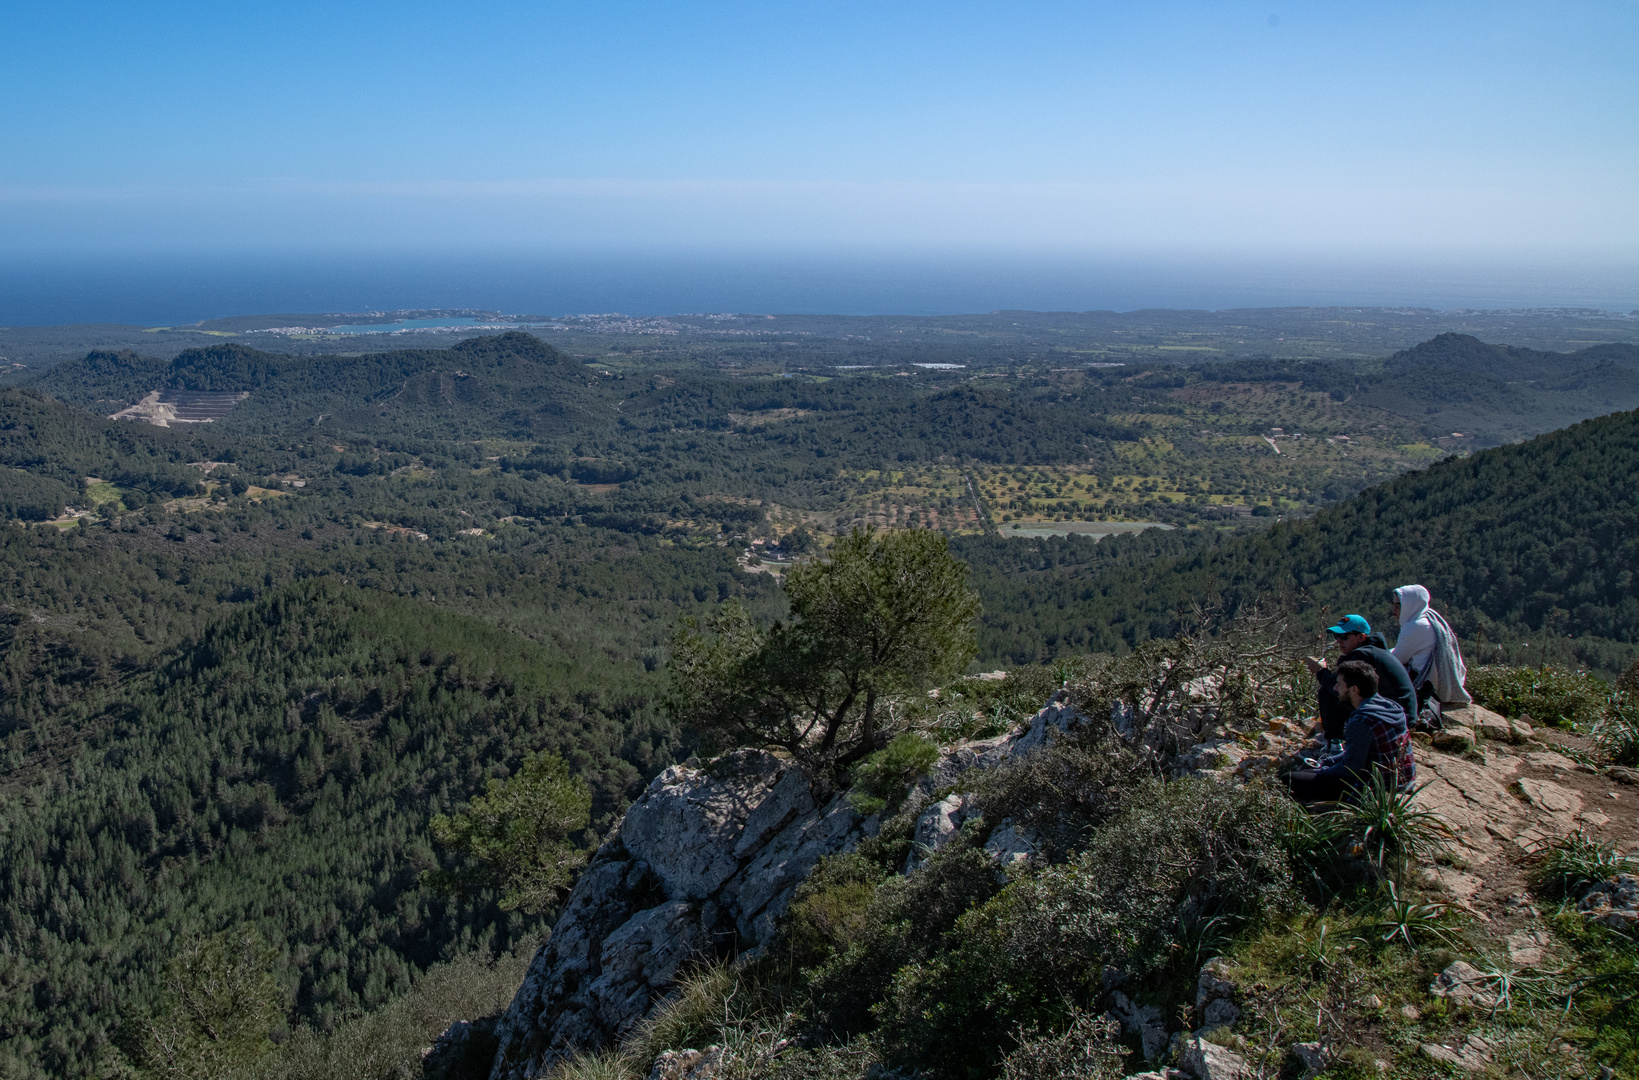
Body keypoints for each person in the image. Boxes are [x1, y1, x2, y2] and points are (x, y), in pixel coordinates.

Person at [1286, 660, 1416, 803]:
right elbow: (1357, 753)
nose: (1336, 687)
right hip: (1401, 780)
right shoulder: (1390, 707)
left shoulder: (1362, 720)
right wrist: (1327, 761)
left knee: (1289, 779)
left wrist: (1321, 771)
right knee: (1313, 768)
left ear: (1354, 689)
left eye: (1340, 684)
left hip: (1376, 789)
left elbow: (1351, 768)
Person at [1303, 614, 1417, 744]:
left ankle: (1334, 742)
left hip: (1395, 718)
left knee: (1328, 694)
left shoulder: (1363, 655)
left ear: (1361, 637)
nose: (1339, 641)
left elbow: (1338, 689)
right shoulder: (1372, 652)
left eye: (1344, 636)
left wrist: (1321, 670)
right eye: (1337, 636)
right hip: (1398, 714)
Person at [1390, 585, 1471, 727]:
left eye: (1398, 605)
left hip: (1424, 683)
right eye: (1393, 603)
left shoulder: (1415, 626)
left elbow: (1396, 659)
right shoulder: (1429, 617)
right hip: (1434, 679)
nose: (1394, 609)